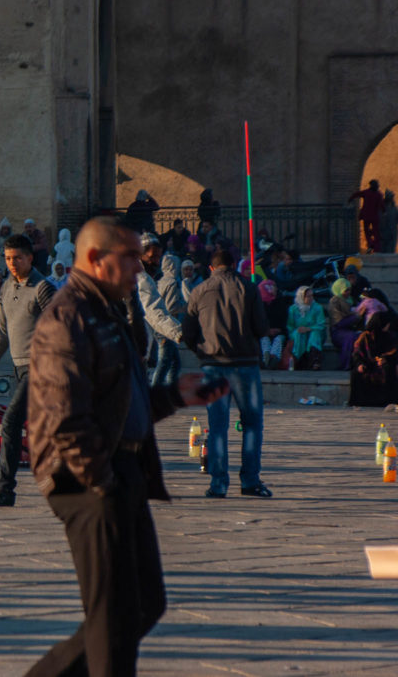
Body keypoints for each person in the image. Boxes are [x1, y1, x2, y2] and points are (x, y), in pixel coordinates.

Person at [26, 216, 225, 676]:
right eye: (131, 257)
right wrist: (103, 482)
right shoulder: (67, 318)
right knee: (114, 618)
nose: (141, 266)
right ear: (96, 258)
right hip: (86, 479)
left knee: (143, 604)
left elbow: (120, 402)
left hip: (120, 469)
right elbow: (65, 418)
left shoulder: (107, 310)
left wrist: (177, 395)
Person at [182, 248, 271, 499]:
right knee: (252, 425)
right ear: (234, 265)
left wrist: (202, 350)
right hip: (245, 364)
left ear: (211, 268)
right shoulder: (249, 288)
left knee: (217, 426)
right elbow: (262, 327)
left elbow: (187, 331)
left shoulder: (199, 291)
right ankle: (250, 481)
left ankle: (219, 483)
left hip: (213, 365)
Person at [0, 234, 54, 507]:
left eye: (17, 258)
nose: (12, 263)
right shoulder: (7, 288)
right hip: (19, 368)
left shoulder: (43, 288)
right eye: (8, 258)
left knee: (10, 423)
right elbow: (1, 330)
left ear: (30, 258)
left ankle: (5, 489)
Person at [137, 233, 183, 387]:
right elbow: (154, 311)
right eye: (151, 257)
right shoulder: (140, 278)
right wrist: (179, 332)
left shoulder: (145, 277)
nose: (155, 261)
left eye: (158, 257)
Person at [349, 300, 398, 407]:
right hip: (368, 364)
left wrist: (386, 358)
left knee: (388, 369)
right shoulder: (365, 337)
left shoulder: (390, 336)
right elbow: (357, 353)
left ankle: (387, 400)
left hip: (382, 364)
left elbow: (393, 351)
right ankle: (360, 401)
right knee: (356, 373)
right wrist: (360, 364)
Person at [287, 286, 326, 370]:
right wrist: (296, 331)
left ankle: (315, 361)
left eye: (312, 296)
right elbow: (290, 326)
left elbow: (321, 325)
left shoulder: (317, 308)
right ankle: (299, 360)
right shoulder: (293, 309)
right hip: (299, 333)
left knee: (314, 335)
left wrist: (308, 329)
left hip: (315, 332)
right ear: (302, 297)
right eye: (308, 296)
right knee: (298, 334)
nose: (311, 298)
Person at [328, 278, 360, 371]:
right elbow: (338, 323)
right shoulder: (334, 302)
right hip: (338, 332)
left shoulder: (351, 300)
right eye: (346, 290)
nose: (348, 292)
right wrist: (356, 317)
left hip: (351, 328)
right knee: (350, 337)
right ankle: (345, 365)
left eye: (349, 290)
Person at [257, 279, 289, 370]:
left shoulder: (281, 302)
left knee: (278, 340)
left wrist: (279, 329)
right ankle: (265, 359)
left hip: (279, 331)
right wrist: (266, 330)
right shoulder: (259, 304)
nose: (274, 289)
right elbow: (258, 321)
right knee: (265, 340)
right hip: (264, 332)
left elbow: (284, 320)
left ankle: (274, 359)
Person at [350, 179, 384, 253]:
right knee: (375, 232)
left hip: (367, 216)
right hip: (374, 217)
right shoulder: (379, 194)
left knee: (368, 231)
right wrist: (384, 211)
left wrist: (350, 199)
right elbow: (382, 205)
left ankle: (371, 244)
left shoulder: (367, 192)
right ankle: (375, 247)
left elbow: (357, 194)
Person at [382, 190, 398, 254]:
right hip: (384, 231)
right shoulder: (382, 207)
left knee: (392, 248)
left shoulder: (394, 207)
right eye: (391, 197)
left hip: (392, 231)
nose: (392, 198)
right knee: (384, 249)